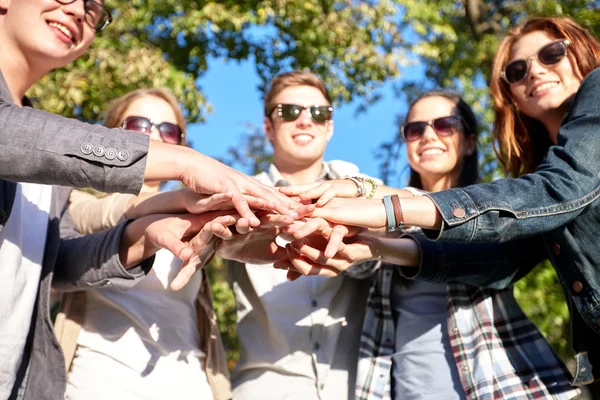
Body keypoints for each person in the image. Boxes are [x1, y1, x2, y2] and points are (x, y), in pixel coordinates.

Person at [281, 16, 600, 389]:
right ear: (509, 92)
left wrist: (381, 202)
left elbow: (561, 187)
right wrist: (376, 247)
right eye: (517, 69)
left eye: (551, 53)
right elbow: (500, 260)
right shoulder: (535, 175)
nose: (534, 71)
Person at [0, 1, 291, 399]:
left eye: (92, 8)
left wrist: (146, 234)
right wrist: (180, 164)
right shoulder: (35, 144)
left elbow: (60, 264)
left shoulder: (48, 176)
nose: (77, 11)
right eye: (137, 129)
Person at [53, 88, 230, 400]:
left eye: (169, 130)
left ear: (181, 146)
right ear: (110, 135)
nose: (154, 137)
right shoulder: (77, 206)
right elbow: (103, 212)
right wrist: (179, 202)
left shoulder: (196, 221)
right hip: (96, 387)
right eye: (139, 126)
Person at [218, 70, 381, 399]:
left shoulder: (363, 189)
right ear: (268, 127)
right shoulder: (238, 195)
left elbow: (416, 210)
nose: (306, 120)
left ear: (330, 127)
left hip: (353, 388)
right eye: (289, 111)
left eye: (319, 113)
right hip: (265, 388)